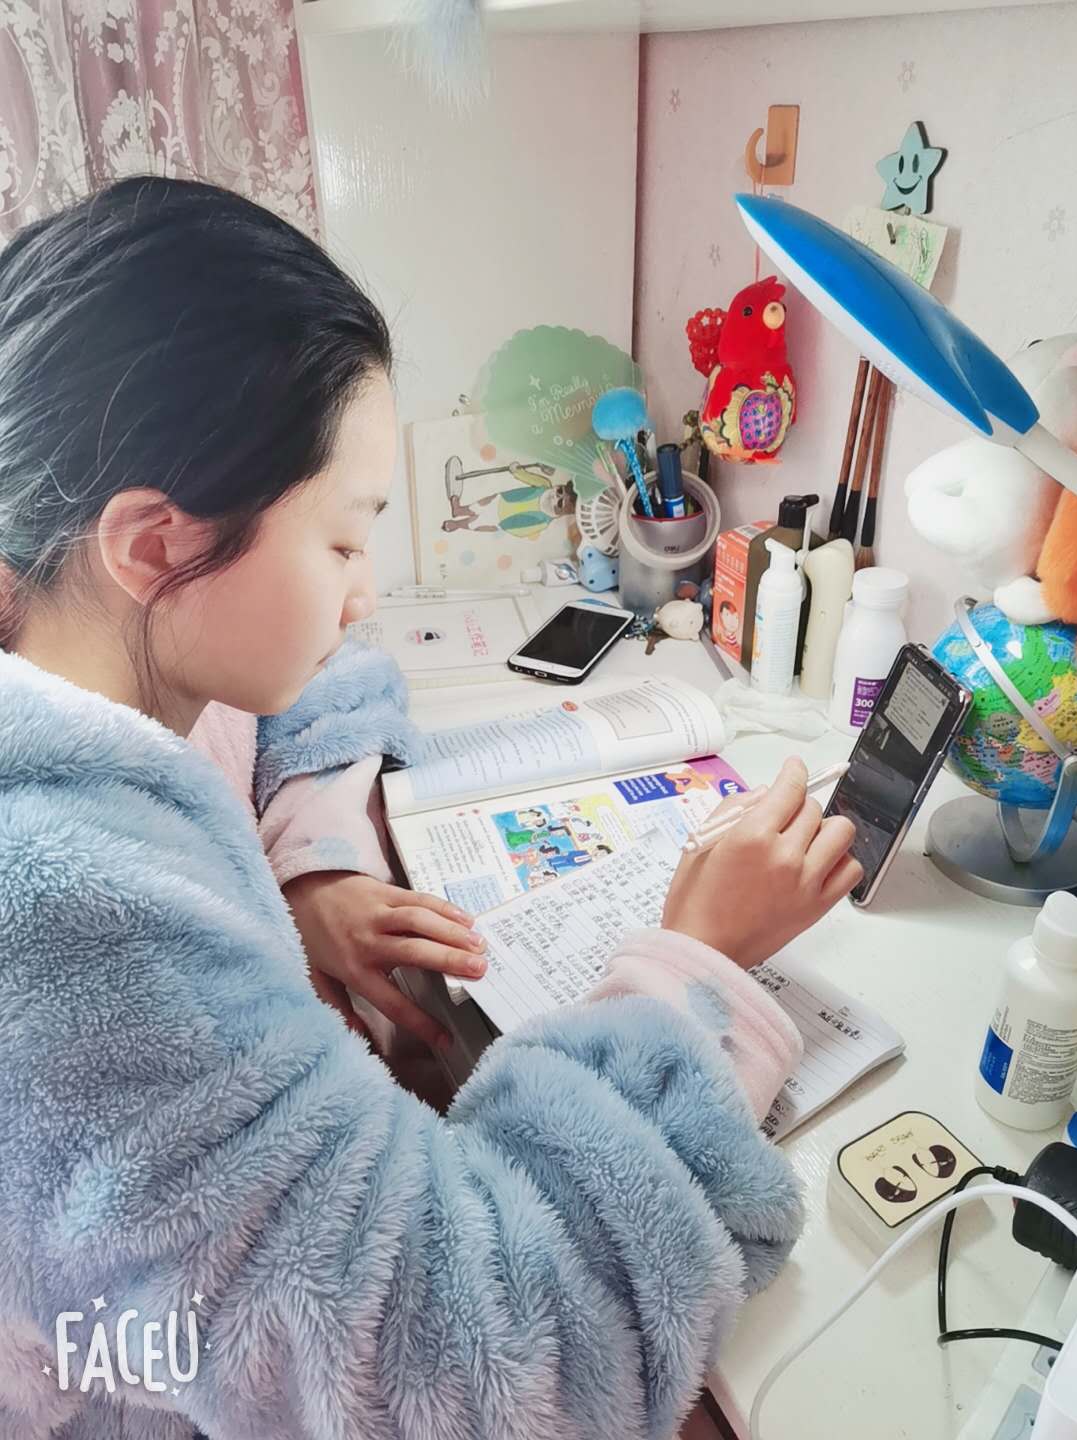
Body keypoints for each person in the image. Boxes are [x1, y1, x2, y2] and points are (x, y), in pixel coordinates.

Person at [0, 177, 862, 1440]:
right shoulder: (76, 933)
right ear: (156, 545)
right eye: (345, 545)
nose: (363, 598)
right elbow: (492, 1367)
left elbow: (317, 680)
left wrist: (314, 871)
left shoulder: (72, 631)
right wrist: (697, 967)